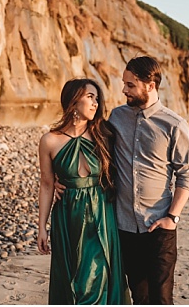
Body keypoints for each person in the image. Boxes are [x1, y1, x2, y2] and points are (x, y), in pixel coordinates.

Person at [56, 56, 189, 304]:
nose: (124, 90)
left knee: (161, 299)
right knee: (138, 296)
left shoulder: (174, 124)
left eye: (130, 85)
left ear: (150, 85)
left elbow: (186, 174)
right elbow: (89, 146)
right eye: (124, 83)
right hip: (124, 228)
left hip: (159, 227)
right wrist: (62, 176)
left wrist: (172, 217)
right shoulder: (117, 117)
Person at [37, 78, 129, 304]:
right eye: (90, 97)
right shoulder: (49, 141)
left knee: (97, 276)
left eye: (97, 98)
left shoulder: (104, 135)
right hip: (67, 216)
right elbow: (47, 184)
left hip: (100, 212)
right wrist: (42, 227)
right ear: (73, 99)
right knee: (71, 277)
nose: (95, 103)